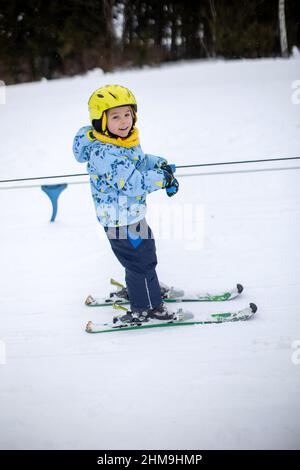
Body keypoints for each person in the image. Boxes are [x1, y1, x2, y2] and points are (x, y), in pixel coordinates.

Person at [73, 84, 179, 324]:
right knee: (140, 261)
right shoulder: (104, 153)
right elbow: (133, 183)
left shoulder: (122, 141)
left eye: (127, 114)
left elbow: (138, 161)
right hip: (120, 221)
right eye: (115, 116)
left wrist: (158, 164)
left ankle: (142, 288)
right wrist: (163, 180)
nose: (123, 122)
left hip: (131, 216)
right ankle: (146, 306)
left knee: (144, 256)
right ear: (101, 121)